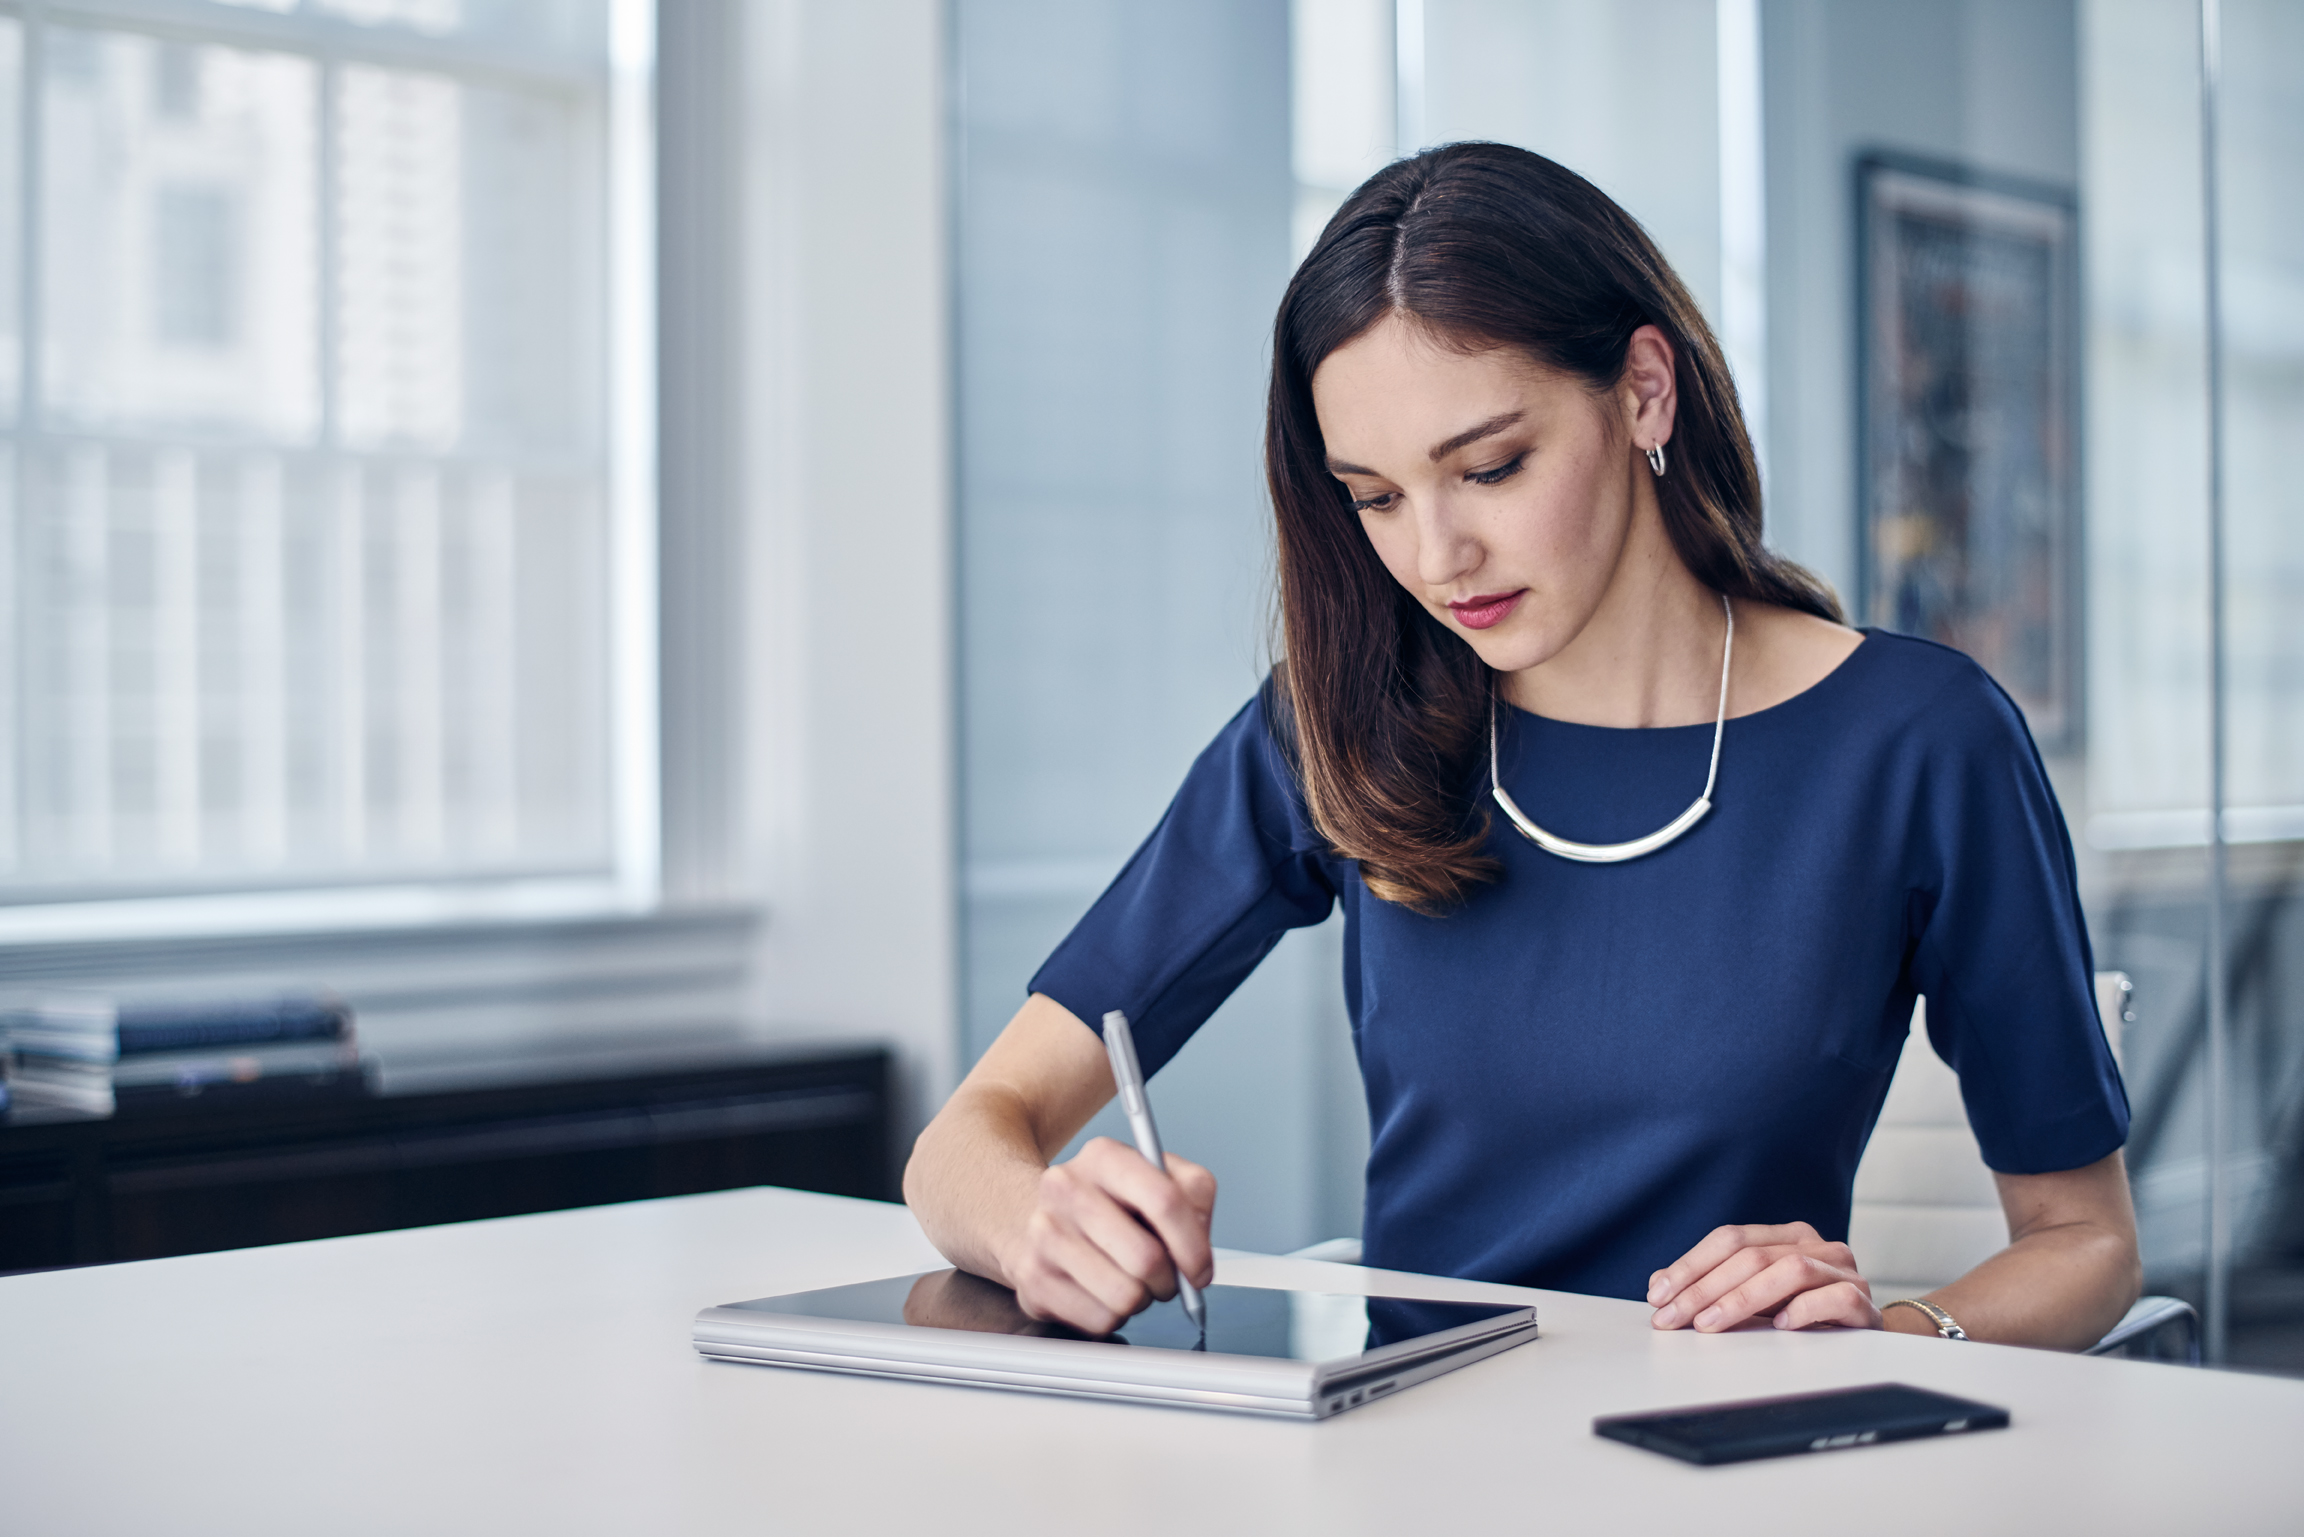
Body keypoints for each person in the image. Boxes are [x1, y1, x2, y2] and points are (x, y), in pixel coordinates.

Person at [905, 142, 2140, 1349]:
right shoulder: (1340, 723)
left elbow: (2087, 1242)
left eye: (1489, 468)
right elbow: (965, 1139)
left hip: (1728, 1462)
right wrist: (1037, 1223)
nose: (1437, 557)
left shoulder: (1921, 742)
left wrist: (1898, 1326)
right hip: (1411, 1459)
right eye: (1375, 497)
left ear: (1644, 389)